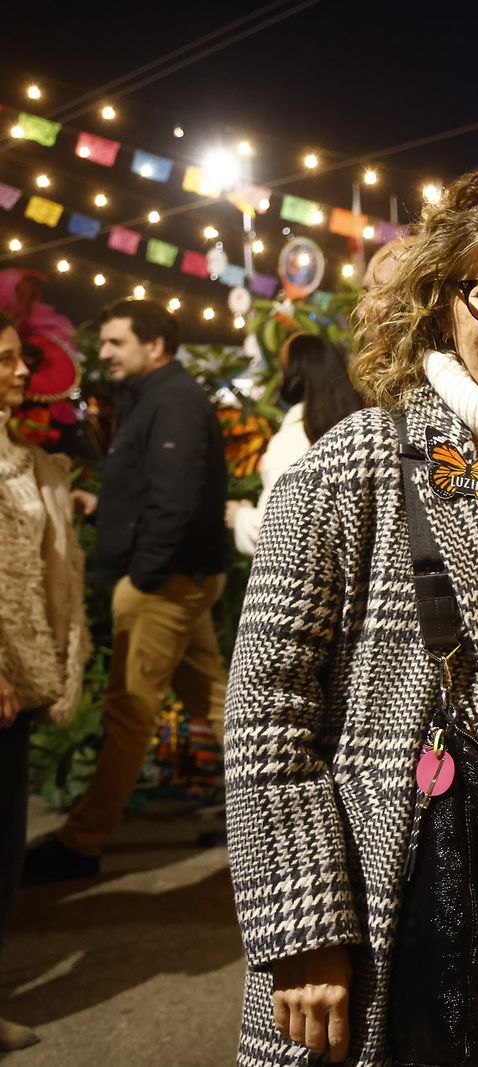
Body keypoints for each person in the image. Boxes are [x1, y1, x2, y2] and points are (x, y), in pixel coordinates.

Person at [224, 166, 478, 1066]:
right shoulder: (355, 463)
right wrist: (303, 932)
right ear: (442, 302)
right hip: (387, 899)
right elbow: (268, 716)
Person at [23, 299, 229, 884]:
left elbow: (176, 500)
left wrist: (143, 577)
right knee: (224, 707)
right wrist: (103, 507)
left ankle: (82, 843)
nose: (104, 353)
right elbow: (155, 490)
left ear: (154, 345)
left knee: (128, 711)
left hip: (163, 583)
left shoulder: (174, 401)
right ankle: (288, 811)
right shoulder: (159, 396)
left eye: (115, 342)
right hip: (174, 576)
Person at [0, 313, 90, 1049]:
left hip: (25, 672)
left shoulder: (23, 456)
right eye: (5, 360)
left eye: (21, 360)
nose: (20, 372)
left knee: (5, 844)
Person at [225, 333, 363, 555]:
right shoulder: (361, 430)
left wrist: (240, 516)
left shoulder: (292, 440)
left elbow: (281, 530)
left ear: (294, 375)